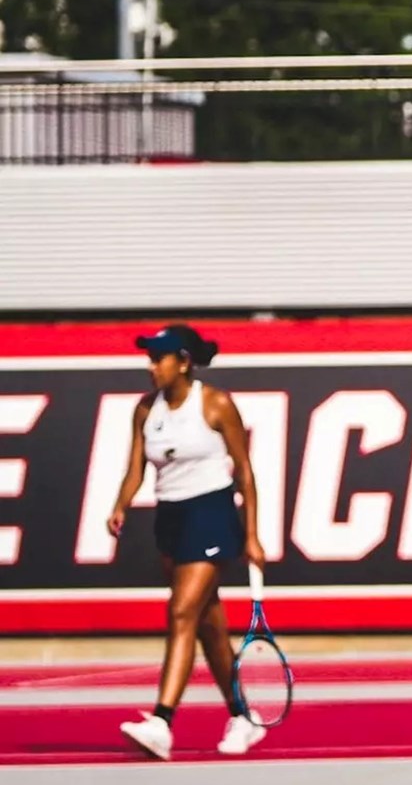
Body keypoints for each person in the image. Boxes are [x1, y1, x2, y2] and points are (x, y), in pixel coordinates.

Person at [109, 324, 267, 760]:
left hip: (212, 516)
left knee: (180, 612)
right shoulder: (145, 409)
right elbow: (135, 468)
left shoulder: (215, 404)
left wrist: (252, 535)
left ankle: (162, 721)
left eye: (158, 358)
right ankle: (243, 716)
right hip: (171, 519)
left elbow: (246, 472)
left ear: (182, 361)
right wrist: (120, 505)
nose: (150, 366)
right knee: (209, 626)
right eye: (149, 358)